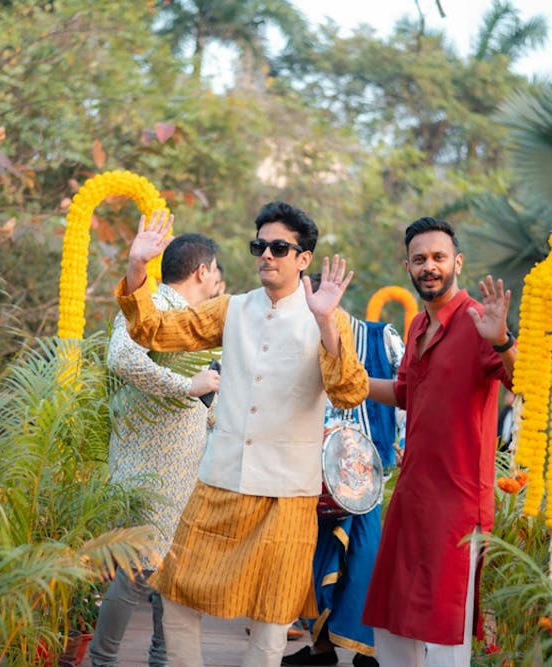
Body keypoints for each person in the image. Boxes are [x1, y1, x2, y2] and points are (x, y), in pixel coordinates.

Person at [114, 202, 369, 667]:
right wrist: (136, 267)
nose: (266, 255)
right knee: (176, 593)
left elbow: (350, 391)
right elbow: (153, 330)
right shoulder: (232, 309)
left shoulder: (331, 320)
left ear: (303, 258)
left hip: (288, 492)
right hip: (221, 480)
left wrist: (327, 321)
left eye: (279, 247)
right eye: (260, 246)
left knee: (272, 619)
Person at [362, 216, 516, 666]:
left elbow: (521, 378)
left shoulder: (478, 321)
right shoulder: (416, 326)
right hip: (411, 498)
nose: (429, 266)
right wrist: (351, 381)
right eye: (419, 259)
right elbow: (406, 392)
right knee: (393, 624)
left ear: (457, 263)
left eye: (438, 257)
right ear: (407, 267)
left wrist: (503, 339)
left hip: (457, 505)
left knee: (446, 634)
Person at [89, 233, 223, 667]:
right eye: (217, 270)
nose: (218, 279)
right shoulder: (154, 305)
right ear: (203, 271)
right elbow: (122, 359)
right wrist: (187, 386)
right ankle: (101, 660)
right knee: (137, 571)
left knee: (173, 575)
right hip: (147, 466)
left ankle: (163, 661)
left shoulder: (196, 321)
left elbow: (208, 402)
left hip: (186, 469)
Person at [283, 275, 405, 667]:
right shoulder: (294, 341)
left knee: (365, 555)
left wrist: (405, 441)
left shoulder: (379, 337)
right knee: (313, 556)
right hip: (309, 473)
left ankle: (367, 650)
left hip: (366, 472)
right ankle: (321, 648)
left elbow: (408, 390)